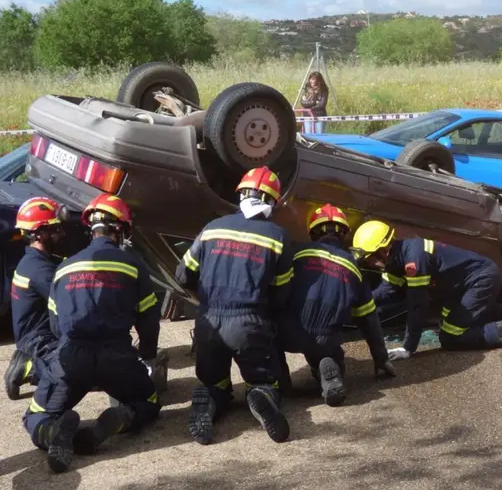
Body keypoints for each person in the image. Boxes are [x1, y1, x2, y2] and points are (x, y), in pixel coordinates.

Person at [23, 193, 162, 473]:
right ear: (120, 229)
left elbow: (55, 325)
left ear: (91, 229)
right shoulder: (133, 265)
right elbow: (149, 321)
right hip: (117, 358)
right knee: (148, 401)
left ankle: (52, 432)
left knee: (36, 415)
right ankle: (123, 417)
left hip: (72, 358)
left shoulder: (64, 268)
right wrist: (146, 356)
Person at [175, 166, 293, 446]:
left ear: (240, 194)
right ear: (273, 202)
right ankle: (260, 395)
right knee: (264, 381)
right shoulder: (278, 237)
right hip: (250, 324)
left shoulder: (212, 229)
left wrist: (205, 300)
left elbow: (182, 275)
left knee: (214, 382)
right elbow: (282, 294)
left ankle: (209, 399)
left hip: (208, 324)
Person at [350, 220, 502, 360]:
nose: (370, 263)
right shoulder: (396, 260)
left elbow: (417, 306)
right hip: (464, 284)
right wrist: (355, 300)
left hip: (480, 279)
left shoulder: (414, 261)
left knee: (452, 337)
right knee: (451, 321)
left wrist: (408, 347)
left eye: (370, 258)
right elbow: (386, 292)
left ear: (384, 250)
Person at [274, 204, 396, 406]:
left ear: (312, 232)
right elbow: (369, 319)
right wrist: (381, 358)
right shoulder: (354, 267)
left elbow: (276, 288)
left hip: (287, 333)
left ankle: (280, 382)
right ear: (344, 234)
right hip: (325, 338)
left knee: (267, 338)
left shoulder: (296, 252)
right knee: (325, 351)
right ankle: (327, 366)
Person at [3, 197, 68, 400]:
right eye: (55, 229)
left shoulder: (34, 260)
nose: (62, 234)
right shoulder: (40, 271)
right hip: (39, 340)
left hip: (34, 335)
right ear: (39, 234)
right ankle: (30, 366)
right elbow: (70, 304)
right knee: (80, 367)